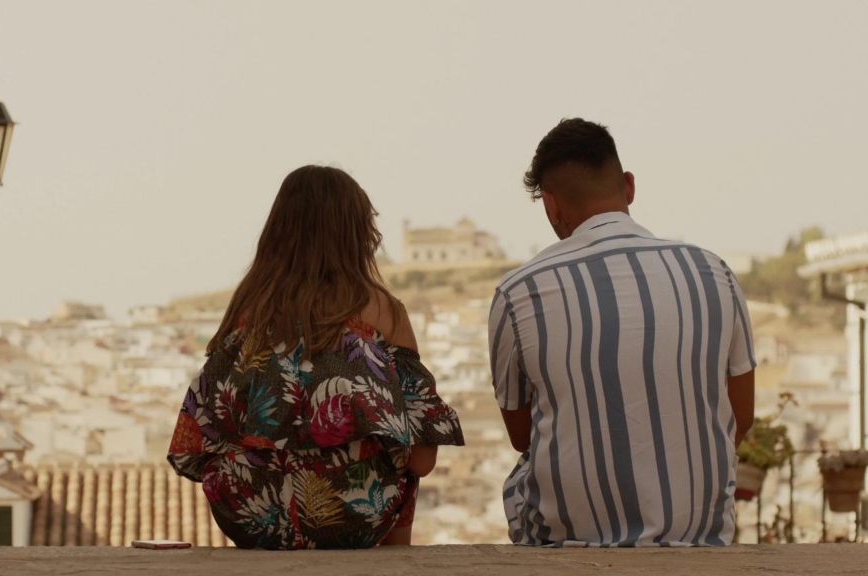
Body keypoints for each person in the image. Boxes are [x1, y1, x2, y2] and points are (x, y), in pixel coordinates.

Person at [489, 119, 756, 547]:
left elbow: (522, 436)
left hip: (569, 545)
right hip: (700, 539)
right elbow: (741, 416)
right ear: (629, 186)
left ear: (552, 206)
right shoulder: (713, 272)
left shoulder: (519, 292)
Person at [168, 165, 464, 550]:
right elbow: (422, 460)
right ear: (357, 232)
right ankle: (396, 558)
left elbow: (204, 433)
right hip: (354, 521)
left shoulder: (247, 311)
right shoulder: (382, 311)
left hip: (250, 518)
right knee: (399, 446)